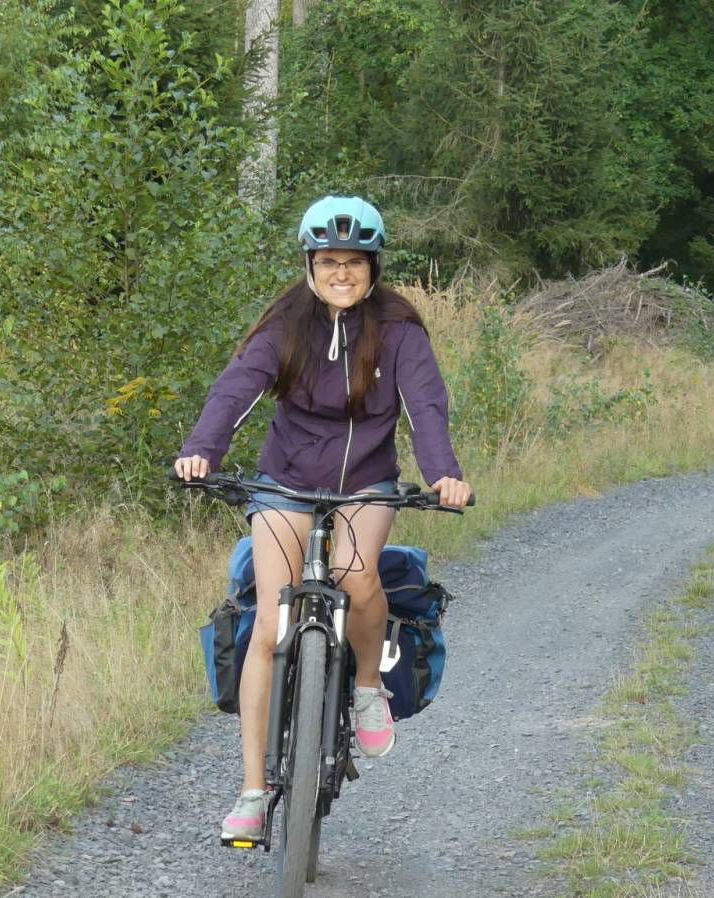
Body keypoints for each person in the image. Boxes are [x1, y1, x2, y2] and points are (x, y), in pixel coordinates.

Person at [173, 195, 472, 840]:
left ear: (374, 266)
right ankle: (253, 792)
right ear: (309, 264)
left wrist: (443, 472)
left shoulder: (399, 328)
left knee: (356, 576)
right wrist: (202, 450)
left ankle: (366, 687)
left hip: (365, 482)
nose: (342, 273)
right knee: (269, 623)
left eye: (355, 262)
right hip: (284, 481)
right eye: (329, 261)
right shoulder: (286, 324)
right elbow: (236, 388)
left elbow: (425, 406)